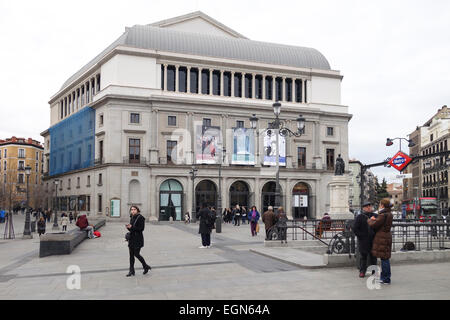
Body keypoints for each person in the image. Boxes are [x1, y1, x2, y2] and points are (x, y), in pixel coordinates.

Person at [368, 198, 393, 285]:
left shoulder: (383, 215)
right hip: (387, 236)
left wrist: (371, 219)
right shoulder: (389, 214)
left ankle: (385, 279)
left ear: (382, 205)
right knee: (385, 258)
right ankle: (386, 277)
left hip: (382, 237)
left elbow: (374, 225)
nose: (379, 206)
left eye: (380, 204)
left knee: (384, 259)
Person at [353, 201, 377, 278]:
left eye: (370, 206)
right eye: (367, 207)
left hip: (373, 240)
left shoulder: (375, 215)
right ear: (363, 208)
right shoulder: (360, 217)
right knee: (363, 257)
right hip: (363, 240)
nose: (369, 208)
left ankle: (374, 272)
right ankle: (362, 271)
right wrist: (361, 236)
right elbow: (355, 229)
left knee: (374, 257)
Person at [125, 205, 151, 277]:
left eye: (134, 209)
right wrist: (129, 228)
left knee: (136, 254)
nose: (133, 211)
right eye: (132, 209)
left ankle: (145, 266)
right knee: (131, 256)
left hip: (138, 239)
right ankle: (131, 271)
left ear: (137, 210)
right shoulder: (132, 217)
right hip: (132, 239)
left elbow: (141, 229)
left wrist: (132, 227)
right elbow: (132, 229)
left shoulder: (141, 218)